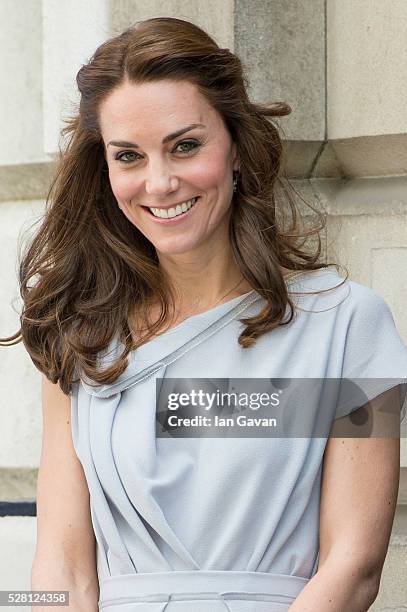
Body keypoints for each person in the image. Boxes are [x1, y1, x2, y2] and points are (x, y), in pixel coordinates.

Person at [2, 16, 406, 612]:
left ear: (237, 148)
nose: (159, 183)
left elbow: (354, 566)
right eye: (129, 156)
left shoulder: (353, 325)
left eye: (185, 146)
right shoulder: (78, 335)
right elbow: (59, 567)